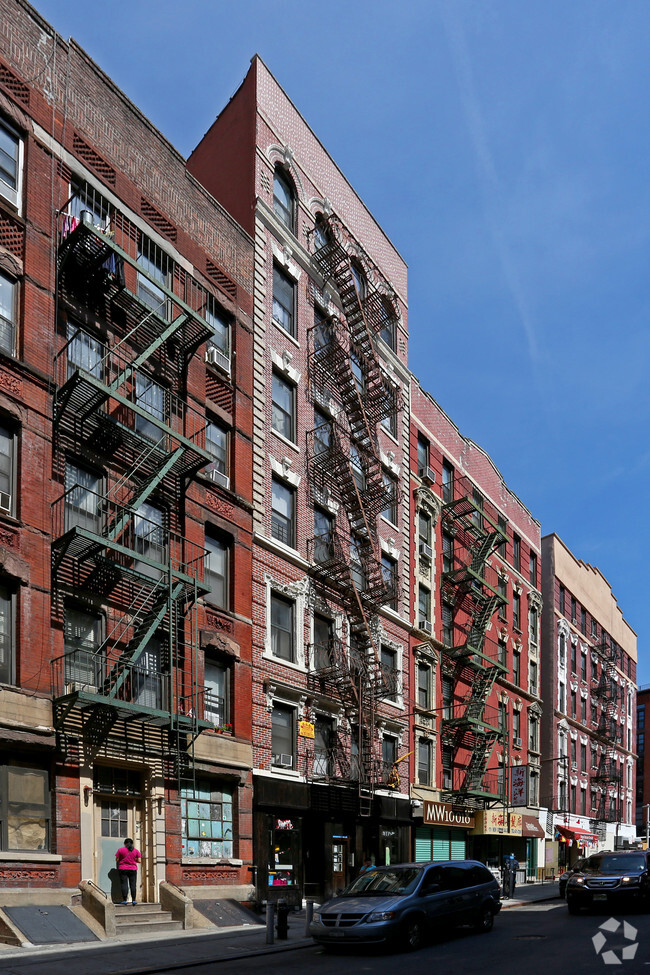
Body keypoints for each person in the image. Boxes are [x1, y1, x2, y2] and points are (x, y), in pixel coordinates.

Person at [115, 837, 141, 905]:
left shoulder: (120, 850)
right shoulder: (136, 851)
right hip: (133, 869)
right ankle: (134, 900)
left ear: (125, 844)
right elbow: (139, 861)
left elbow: (117, 859)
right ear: (132, 843)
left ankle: (124, 900)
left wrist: (122, 859)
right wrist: (133, 860)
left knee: (124, 884)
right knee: (133, 885)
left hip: (123, 869)